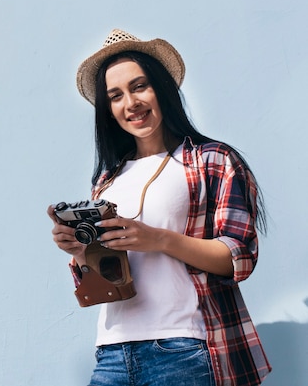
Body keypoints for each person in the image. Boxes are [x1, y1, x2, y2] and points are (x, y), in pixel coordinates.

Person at [47, 29, 271, 386]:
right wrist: (80, 252)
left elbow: (238, 257)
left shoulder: (212, 161)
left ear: (162, 89)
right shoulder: (108, 178)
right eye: (115, 96)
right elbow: (108, 274)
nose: (130, 103)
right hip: (112, 350)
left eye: (140, 86)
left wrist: (159, 240)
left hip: (184, 347)